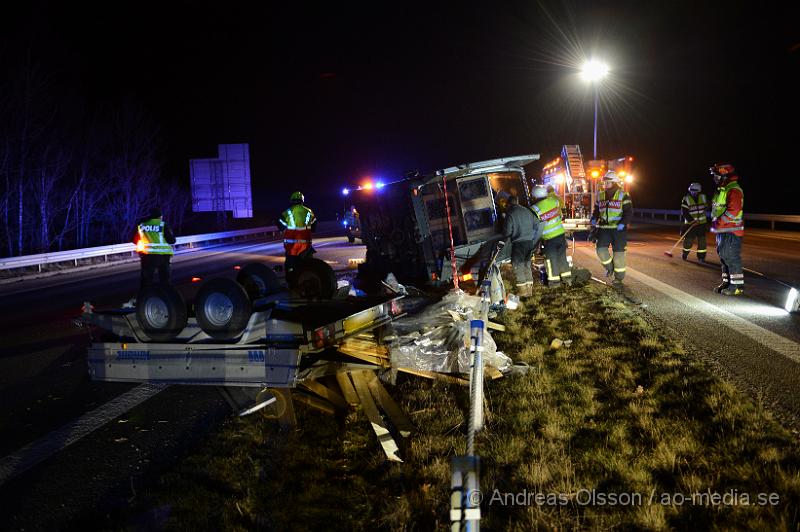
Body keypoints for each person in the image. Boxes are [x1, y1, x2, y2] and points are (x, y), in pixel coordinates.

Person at [591, 171, 633, 288]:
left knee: (618, 254)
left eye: (607, 182)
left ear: (614, 182)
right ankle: (610, 268)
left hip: (618, 230)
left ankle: (618, 279)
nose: (604, 184)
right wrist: (594, 218)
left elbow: (629, 212)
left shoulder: (623, 195)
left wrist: (623, 223)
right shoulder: (601, 195)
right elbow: (596, 210)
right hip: (604, 229)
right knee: (600, 250)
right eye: (604, 182)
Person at [710, 163, 744, 295]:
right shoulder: (722, 189)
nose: (715, 178)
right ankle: (726, 282)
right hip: (722, 230)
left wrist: (719, 222)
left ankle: (736, 287)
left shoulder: (733, 189)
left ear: (724, 176)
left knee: (730, 257)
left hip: (731, 230)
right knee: (723, 257)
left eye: (716, 176)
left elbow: (733, 211)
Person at [531, 185, 572, 287]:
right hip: (561, 236)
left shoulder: (534, 209)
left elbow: (534, 226)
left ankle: (554, 283)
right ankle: (568, 280)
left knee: (551, 261)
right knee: (562, 258)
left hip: (549, 239)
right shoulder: (554, 201)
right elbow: (560, 214)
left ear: (534, 196)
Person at [501, 194, 541, 297]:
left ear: (509, 204)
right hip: (529, 243)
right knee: (527, 264)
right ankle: (529, 290)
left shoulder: (510, 213)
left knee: (518, 265)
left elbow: (507, 232)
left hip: (518, 244)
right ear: (517, 202)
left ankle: (523, 291)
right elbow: (537, 224)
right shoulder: (527, 211)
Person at [278, 191, 317, 282]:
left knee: (290, 266)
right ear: (302, 200)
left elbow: (280, 225)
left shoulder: (287, 212)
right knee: (309, 266)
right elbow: (314, 227)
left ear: (292, 200)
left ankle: (292, 283)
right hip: (306, 246)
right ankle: (310, 281)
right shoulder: (309, 211)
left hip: (291, 247)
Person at [132, 207, 176, 289]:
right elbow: (172, 240)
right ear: (160, 216)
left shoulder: (142, 226)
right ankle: (165, 297)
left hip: (147, 256)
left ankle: (145, 298)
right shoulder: (162, 225)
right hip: (163, 256)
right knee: (165, 281)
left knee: (146, 282)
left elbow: (134, 239)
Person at [680, 182, 709, 262]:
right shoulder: (686, 199)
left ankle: (701, 257)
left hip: (701, 224)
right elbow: (684, 213)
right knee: (688, 241)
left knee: (702, 242)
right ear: (690, 190)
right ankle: (685, 253)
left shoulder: (703, 197)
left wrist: (707, 207)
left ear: (699, 190)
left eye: (695, 190)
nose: (693, 192)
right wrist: (692, 222)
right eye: (692, 190)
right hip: (691, 224)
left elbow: (707, 206)